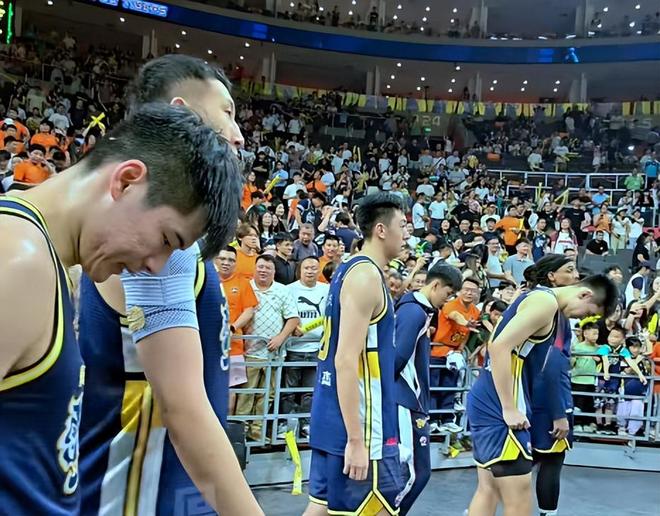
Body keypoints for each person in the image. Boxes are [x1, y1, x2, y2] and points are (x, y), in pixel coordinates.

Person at [0, 103, 242, 515]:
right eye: (166, 239)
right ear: (127, 181)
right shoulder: (19, 260)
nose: (156, 266)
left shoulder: (43, 261)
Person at [76, 56, 263, 515]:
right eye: (227, 113)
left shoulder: (163, 237)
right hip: (138, 497)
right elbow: (185, 412)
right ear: (182, 113)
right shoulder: (158, 243)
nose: (239, 135)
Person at [466, 274, 618, 516]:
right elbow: (499, 346)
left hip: (487, 394)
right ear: (585, 294)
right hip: (500, 401)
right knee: (519, 498)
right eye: (588, 312)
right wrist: (509, 407)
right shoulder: (546, 303)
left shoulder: (539, 298)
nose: (581, 319)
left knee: (489, 489)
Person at [305, 193, 408, 516]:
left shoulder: (349, 268)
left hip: (332, 413)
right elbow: (346, 360)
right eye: (403, 226)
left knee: (321, 508)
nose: (407, 234)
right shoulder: (365, 277)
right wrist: (355, 440)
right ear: (381, 230)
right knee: (378, 509)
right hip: (362, 424)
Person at [394, 265, 463, 515]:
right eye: (448, 293)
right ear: (435, 285)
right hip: (406, 401)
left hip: (412, 401)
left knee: (416, 472)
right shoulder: (413, 312)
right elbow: (397, 359)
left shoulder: (417, 310)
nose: (448, 299)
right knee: (412, 473)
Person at [524, 255, 580, 516]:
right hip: (549, 401)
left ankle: (481, 506)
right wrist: (559, 412)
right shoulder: (552, 309)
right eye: (569, 270)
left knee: (523, 462)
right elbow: (551, 367)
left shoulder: (532, 301)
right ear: (551, 277)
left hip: (529, 396)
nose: (576, 276)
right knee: (551, 460)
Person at [282, 256, 330, 438]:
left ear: (319, 270)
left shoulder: (327, 290)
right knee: (288, 390)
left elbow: (329, 316)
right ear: (300, 270)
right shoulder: (289, 289)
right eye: (306, 268)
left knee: (310, 391)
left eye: (314, 268)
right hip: (293, 348)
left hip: (317, 348)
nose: (310, 271)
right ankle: (286, 424)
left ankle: (306, 424)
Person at [215, 246, 259, 414]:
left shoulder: (243, 283)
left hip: (233, 346)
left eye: (231, 260)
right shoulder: (207, 280)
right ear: (215, 260)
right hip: (206, 345)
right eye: (223, 259)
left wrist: (233, 327)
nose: (226, 263)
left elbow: (249, 310)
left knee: (230, 389)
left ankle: (226, 426)